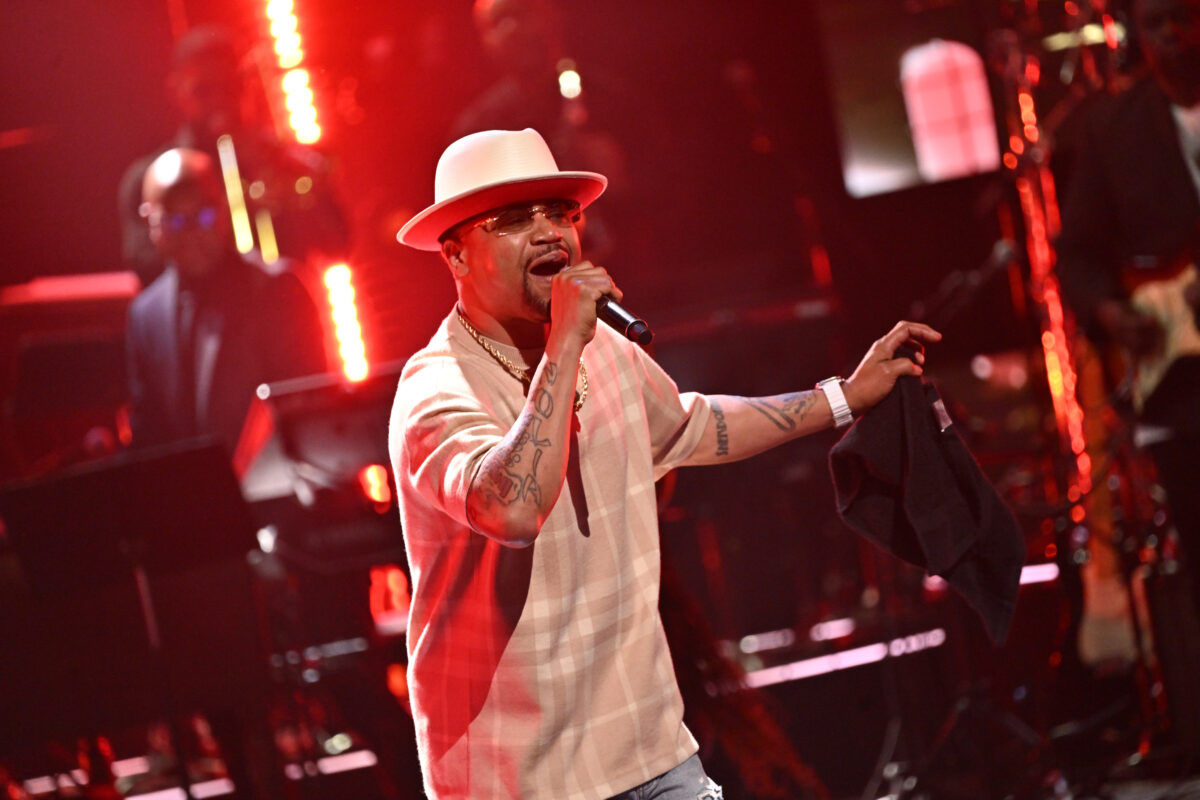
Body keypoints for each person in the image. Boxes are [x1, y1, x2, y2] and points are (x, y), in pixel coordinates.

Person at [388, 127, 941, 799]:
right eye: (512, 221)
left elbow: (694, 426)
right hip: (517, 780)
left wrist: (843, 398)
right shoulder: (437, 389)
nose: (547, 234)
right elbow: (512, 508)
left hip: (649, 756)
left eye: (561, 214)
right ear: (456, 256)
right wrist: (565, 343)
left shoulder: (605, 353)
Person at [1056, 0, 1200, 610]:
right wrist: (1116, 315)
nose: (1171, 34)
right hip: (1182, 388)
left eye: (1185, 16)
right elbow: (1079, 258)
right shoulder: (1114, 127)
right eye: (1156, 21)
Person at [126, 147, 327, 452]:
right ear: (149, 220)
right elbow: (150, 432)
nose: (193, 234)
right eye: (176, 222)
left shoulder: (278, 289)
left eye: (204, 216)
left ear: (223, 209)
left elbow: (314, 411)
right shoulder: (145, 315)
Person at [118, 24, 349, 288]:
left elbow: (338, 246)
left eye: (230, 87)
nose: (220, 101)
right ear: (176, 92)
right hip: (204, 323)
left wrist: (293, 195)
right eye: (204, 90)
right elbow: (145, 268)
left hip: (286, 315)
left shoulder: (286, 161)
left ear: (246, 86)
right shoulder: (147, 180)